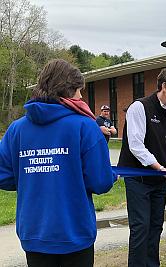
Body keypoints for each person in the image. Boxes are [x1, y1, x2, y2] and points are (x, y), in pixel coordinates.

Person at [0, 59, 116, 267]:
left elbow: (4, 176)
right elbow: (101, 181)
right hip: (74, 232)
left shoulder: (16, 129)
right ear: (68, 90)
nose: (81, 96)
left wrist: (35, 176)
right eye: (79, 91)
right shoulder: (85, 126)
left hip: (34, 232)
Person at [118, 67, 166, 267]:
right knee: (141, 228)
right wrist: (159, 167)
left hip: (158, 180)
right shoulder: (139, 107)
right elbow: (136, 145)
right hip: (137, 179)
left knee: (155, 226)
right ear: (164, 86)